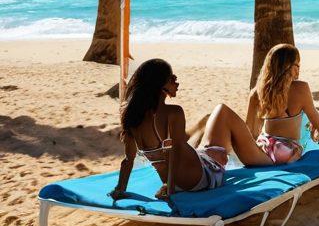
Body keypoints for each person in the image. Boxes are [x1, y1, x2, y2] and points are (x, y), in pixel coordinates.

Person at [110, 58, 273, 199]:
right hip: (201, 179)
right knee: (222, 112)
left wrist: (120, 189)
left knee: (207, 124)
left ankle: (212, 143)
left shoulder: (132, 118)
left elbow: (128, 160)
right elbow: (175, 154)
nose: (177, 82)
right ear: (161, 85)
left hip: (175, 181)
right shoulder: (173, 113)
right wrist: (171, 190)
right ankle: (265, 157)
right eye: (172, 78)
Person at [245, 43, 319, 164]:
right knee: (298, 142)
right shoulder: (301, 88)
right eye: (297, 65)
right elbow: (314, 116)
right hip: (286, 150)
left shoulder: (257, 93)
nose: (299, 69)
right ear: (287, 66)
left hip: (264, 148)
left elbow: (250, 132)